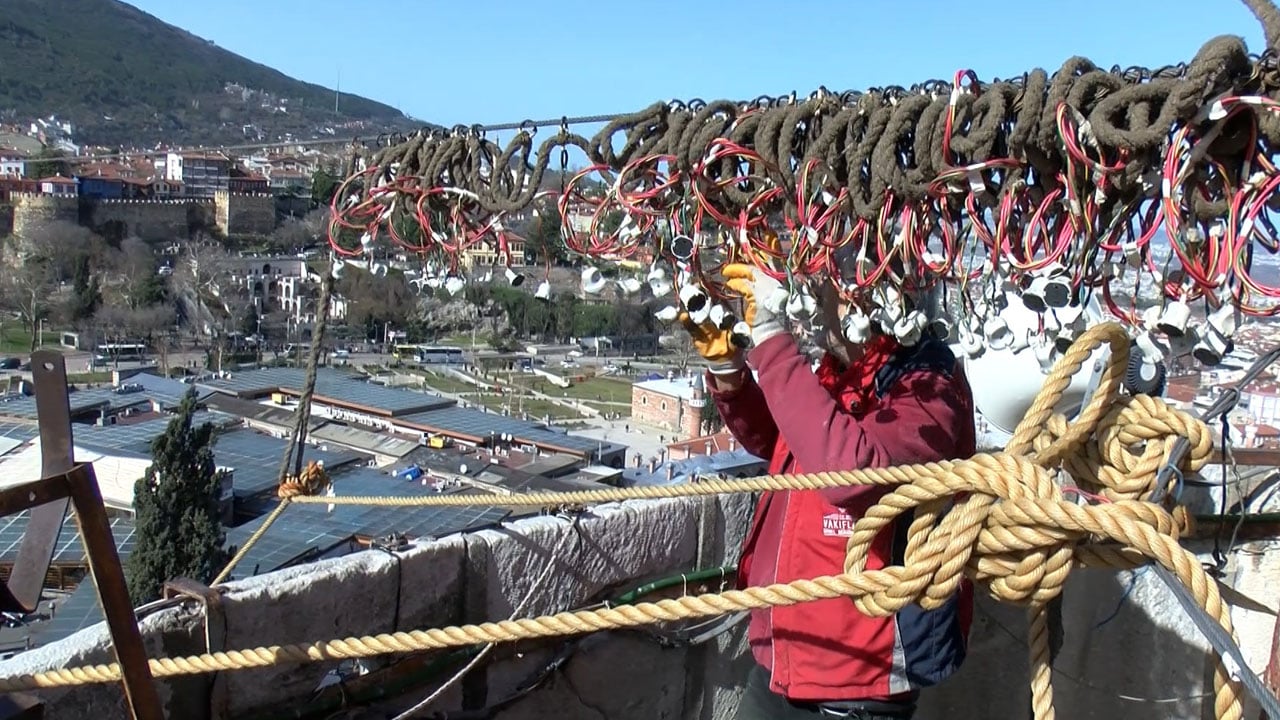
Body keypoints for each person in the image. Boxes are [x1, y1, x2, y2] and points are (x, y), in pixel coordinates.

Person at [681, 264, 977, 720]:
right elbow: (785, 442)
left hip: (856, 681)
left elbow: (851, 475)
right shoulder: (843, 369)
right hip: (783, 661)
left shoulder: (929, 382)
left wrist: (773, 342)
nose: (816, 298)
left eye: (827, 285)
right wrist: (729, 373)